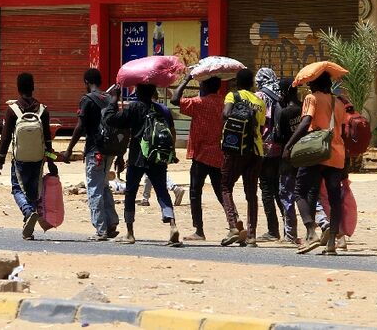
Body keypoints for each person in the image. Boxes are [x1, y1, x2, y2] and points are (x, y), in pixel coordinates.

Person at [105, 83, 181, 246]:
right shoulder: (163, 110)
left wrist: (114, 99)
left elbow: (111, 120)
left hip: (137, 157)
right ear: (154, 92)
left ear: (138, 93)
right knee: (162, 191)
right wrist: (171, 155)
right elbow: (171, 133)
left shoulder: (134, 108)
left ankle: (130, 233)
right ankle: (172, 224)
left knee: (131, 192)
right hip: (158, 157)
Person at [283, 71, 347, 256]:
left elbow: (305, 123)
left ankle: (311, 232)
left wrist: (290, 144)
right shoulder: (339, 103)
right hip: (336, 154)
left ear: (315, 84)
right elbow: (340, 131)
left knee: (300, 191)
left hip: (316, 152)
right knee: (335, 200)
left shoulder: (311, 98)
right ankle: (332, 242)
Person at [58, 68, 119, 241]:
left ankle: (101, 229)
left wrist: (69, 149)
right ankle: (112, 222)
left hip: (95, 150)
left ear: (86, 82)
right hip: (110, 150)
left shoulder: (87, 100)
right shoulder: (109, 98)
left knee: (94, 189)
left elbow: (80, 126)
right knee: (104, 186)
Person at [0, 73, 53, 241]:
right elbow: (48, 140)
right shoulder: (43, 110)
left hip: (19, 158)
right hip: (38, 158)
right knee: (33, 191)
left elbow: (5, 138)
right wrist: (50, 160)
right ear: (33, 87)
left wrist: (0, 159)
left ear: (18, 89)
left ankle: (28, 213)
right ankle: (28, 225)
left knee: (17, 189)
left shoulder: (12, 110)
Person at [170, 73, 225, 241]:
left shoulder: (198, 103)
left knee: (195, 191)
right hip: (217, 153)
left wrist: (187, 79)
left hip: (200, 154)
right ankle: (233, 221)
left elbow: (174, 100)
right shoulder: (223, 103)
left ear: (206, 86)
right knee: (221, 191)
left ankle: (199, 230)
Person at [220, 68, 267, 247]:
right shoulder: (259, 101)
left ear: (237, 82)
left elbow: (225, 114)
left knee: (225, 186)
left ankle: (233, 226)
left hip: (234, 150)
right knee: (251, 194)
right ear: (252, 83)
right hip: (255, 151)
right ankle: (252, 235)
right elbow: (261, 127)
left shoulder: (232, 96)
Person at [255, 68, 284, 242]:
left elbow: (260, 121)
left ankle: (273, 230)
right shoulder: (280, 93)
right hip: (281, 147)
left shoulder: (260, 96)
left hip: (265, 147)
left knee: (266, 188)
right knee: (279, 189)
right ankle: (290, 228)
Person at [275, 78, 301, 245]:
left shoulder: (284, 112)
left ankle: (290, 235)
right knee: (307, 194)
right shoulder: (304, 108)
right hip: (305, 157)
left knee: (287, 196)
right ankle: (320, 226)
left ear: (284, 92)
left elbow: (278, 137)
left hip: (287, 160)